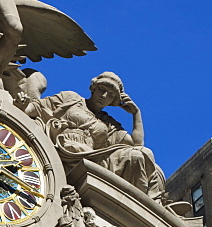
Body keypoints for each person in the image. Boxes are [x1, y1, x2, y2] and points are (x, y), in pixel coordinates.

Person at [19, 71, 165, 198]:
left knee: (142, 154)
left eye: (110, 95)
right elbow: (35, 108)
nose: (104, 95)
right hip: (66, 150)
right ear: (93, 88)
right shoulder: (71, 98)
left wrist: (136, 114)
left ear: (113, 101)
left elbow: (137, 145)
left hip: (93, 159)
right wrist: (22, 104)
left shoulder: (108, 123)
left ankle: (138, 205)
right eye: (102, 89)